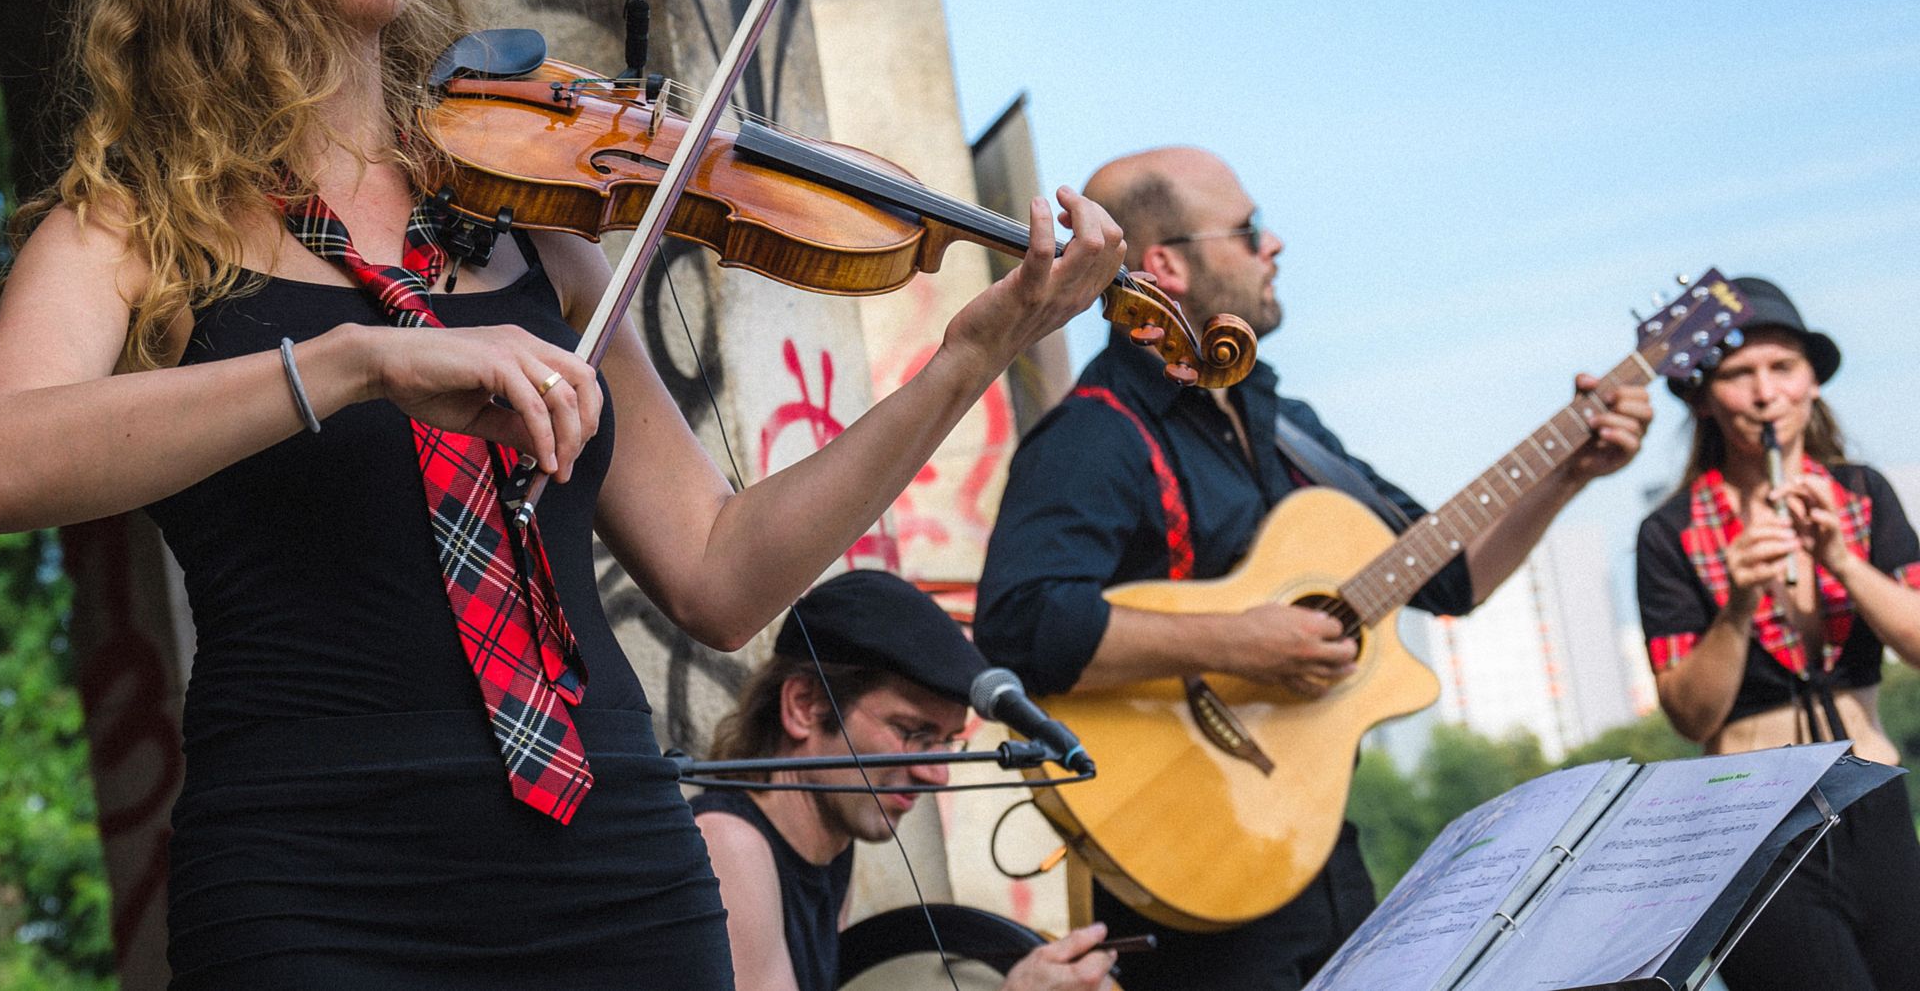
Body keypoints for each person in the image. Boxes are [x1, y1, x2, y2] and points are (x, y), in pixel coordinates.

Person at [0, 0, 1125, 990]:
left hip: (612, 861)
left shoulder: (528, 219)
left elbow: (719, 574)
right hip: (316, 880)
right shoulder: (130, 227)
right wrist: (348, 365)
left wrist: (966, 359)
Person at [972, 145, 1654, 991]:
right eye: (1249, 229)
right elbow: (1021, 623)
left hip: (1317, 854)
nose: (1275, 245)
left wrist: (1569, 473)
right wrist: (1242, 642)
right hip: (1190, 870)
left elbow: (1451, 578)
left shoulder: (1286, 425)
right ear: (1165, 267)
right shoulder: (1096, 433)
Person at [1637, 276, 1920, 991]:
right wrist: (1738, 605)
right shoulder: (1670, 531)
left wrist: (1843, 562)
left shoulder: (1862, 493)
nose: (1765, 394)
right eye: (1738, 374)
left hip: (1873, 798)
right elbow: (1690, 714)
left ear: (1812, 383)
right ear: (1703, 398)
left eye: (1783, 368)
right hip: (1750, 822)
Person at [692, 569, 1117, 991]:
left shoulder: (831, 848)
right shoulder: (729, 845)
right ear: (805, 706)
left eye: (946, 742)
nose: (936, 774)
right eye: (912, 732)